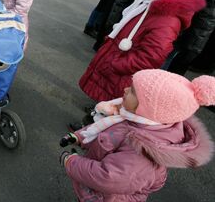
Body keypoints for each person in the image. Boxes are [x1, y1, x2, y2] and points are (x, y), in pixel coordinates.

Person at [60, 69, 215, 201]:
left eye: (133, 91)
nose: (126, 90)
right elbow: (107, 134)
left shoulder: (142, 151)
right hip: (97, 188)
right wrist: (80, 137)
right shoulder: (137, 120)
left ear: (149, 109)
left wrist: (71, 162)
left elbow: (108, 178)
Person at [79, 0, 205, 102]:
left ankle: (98, 119)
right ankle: (97, 114)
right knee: (105, 98)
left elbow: (151, 56)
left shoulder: (166, 21)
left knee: (115, 104)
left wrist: (116, 64)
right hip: (118, 63)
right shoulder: (146, 3)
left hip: (123, 70)